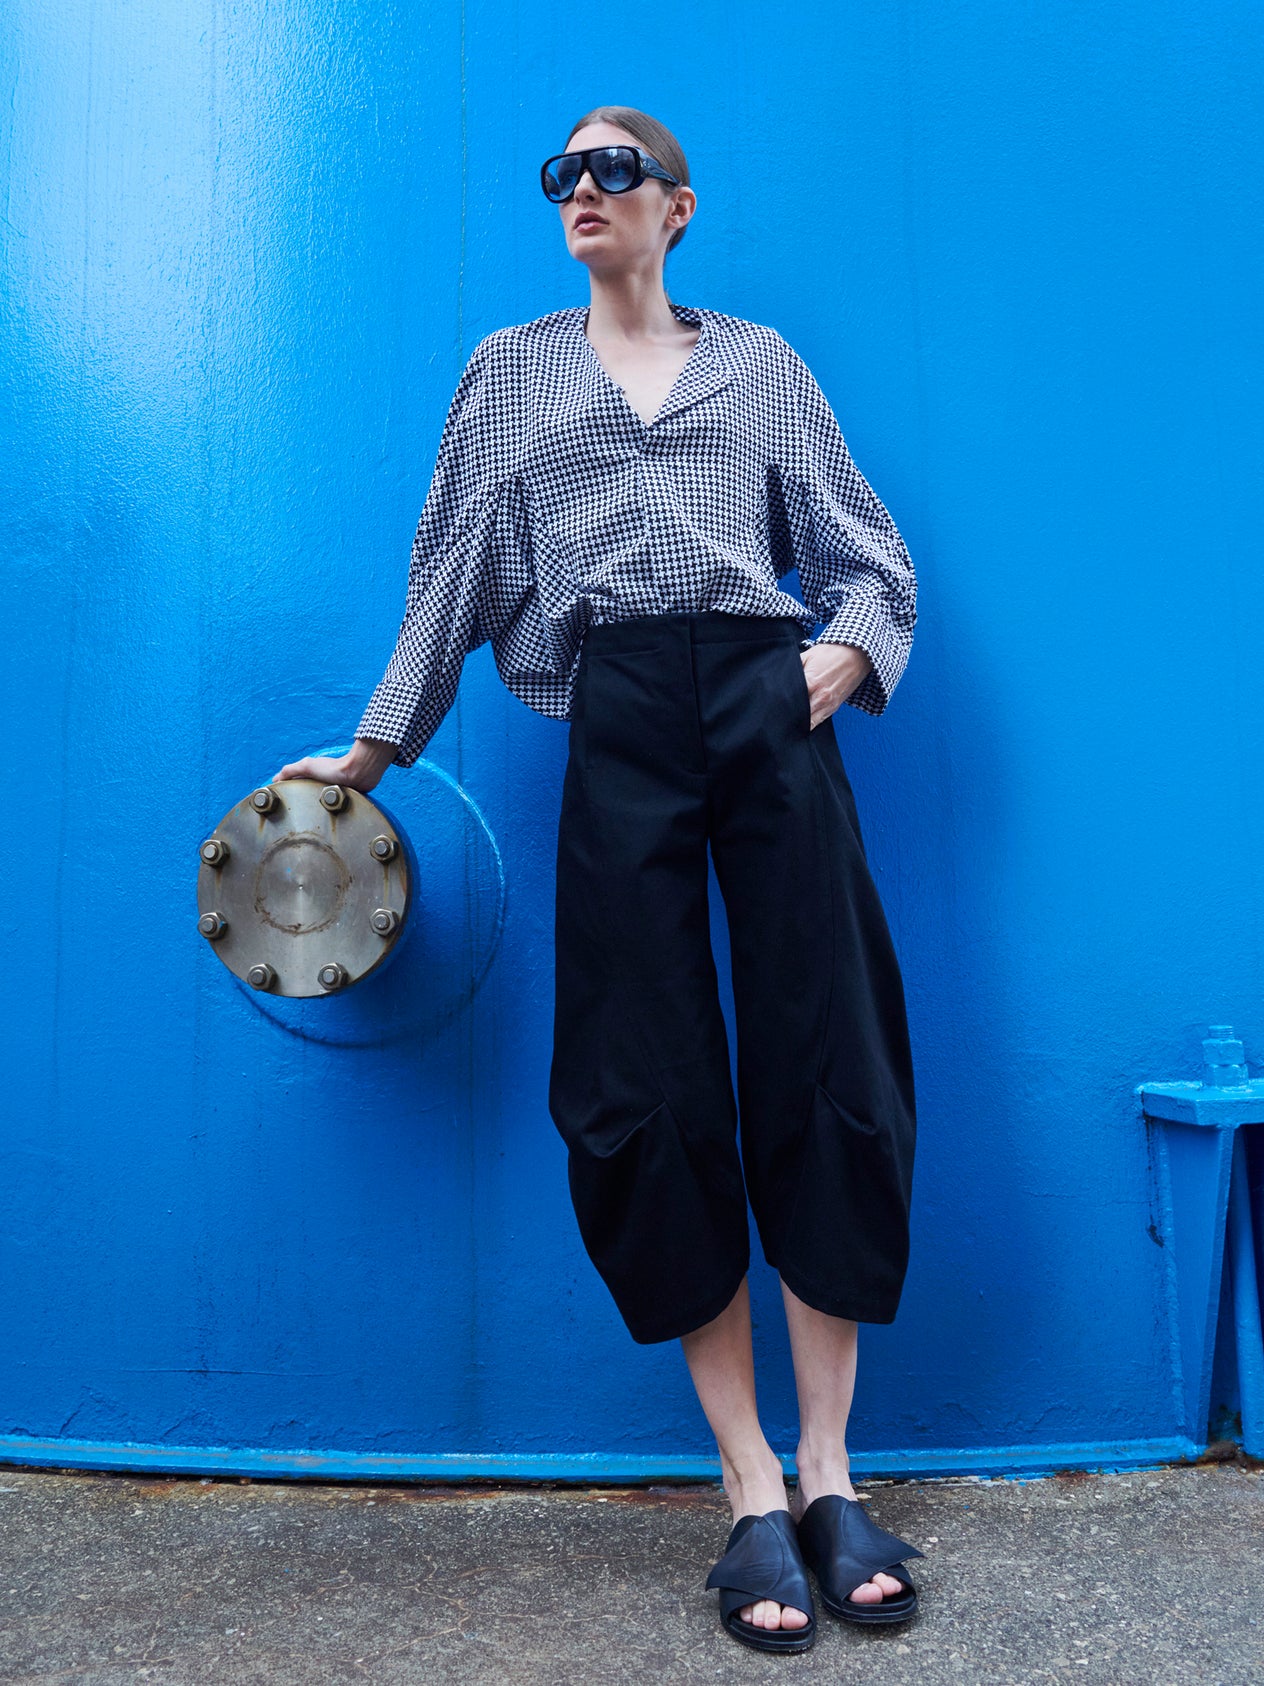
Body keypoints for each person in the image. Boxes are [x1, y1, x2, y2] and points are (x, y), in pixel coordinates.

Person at [275, 104, 922, 1655]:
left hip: (766, 703)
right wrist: (374, 749)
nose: (584, 189)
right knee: (645, 1077)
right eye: (563, 172)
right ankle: (749, 1484)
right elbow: (455, 569)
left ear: (676, 207)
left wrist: (839, 657)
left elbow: (867, 553)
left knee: (828, 1053)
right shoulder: (510, 375)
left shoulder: (760, 366)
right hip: (620, 719)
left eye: (614, 169)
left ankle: (833, 1474)